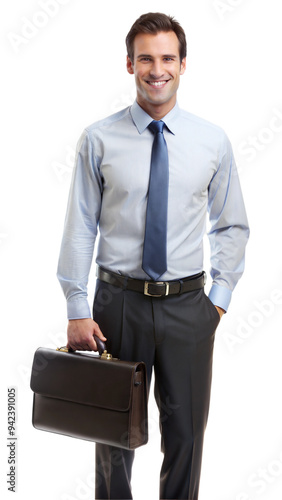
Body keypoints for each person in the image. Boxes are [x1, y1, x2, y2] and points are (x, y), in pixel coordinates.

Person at [57, 12, 249, 500]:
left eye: (167, 57)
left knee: (186, 437)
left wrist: (217, 303)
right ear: (129, 65)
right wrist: (77, 306)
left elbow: (231, 225)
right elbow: (80, 226)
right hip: (116, 308)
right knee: (112, 440)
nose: (156, 69)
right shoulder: (99, 139)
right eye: (146, 58)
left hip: (189, 309)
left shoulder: (212, 141)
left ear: (183, 65)